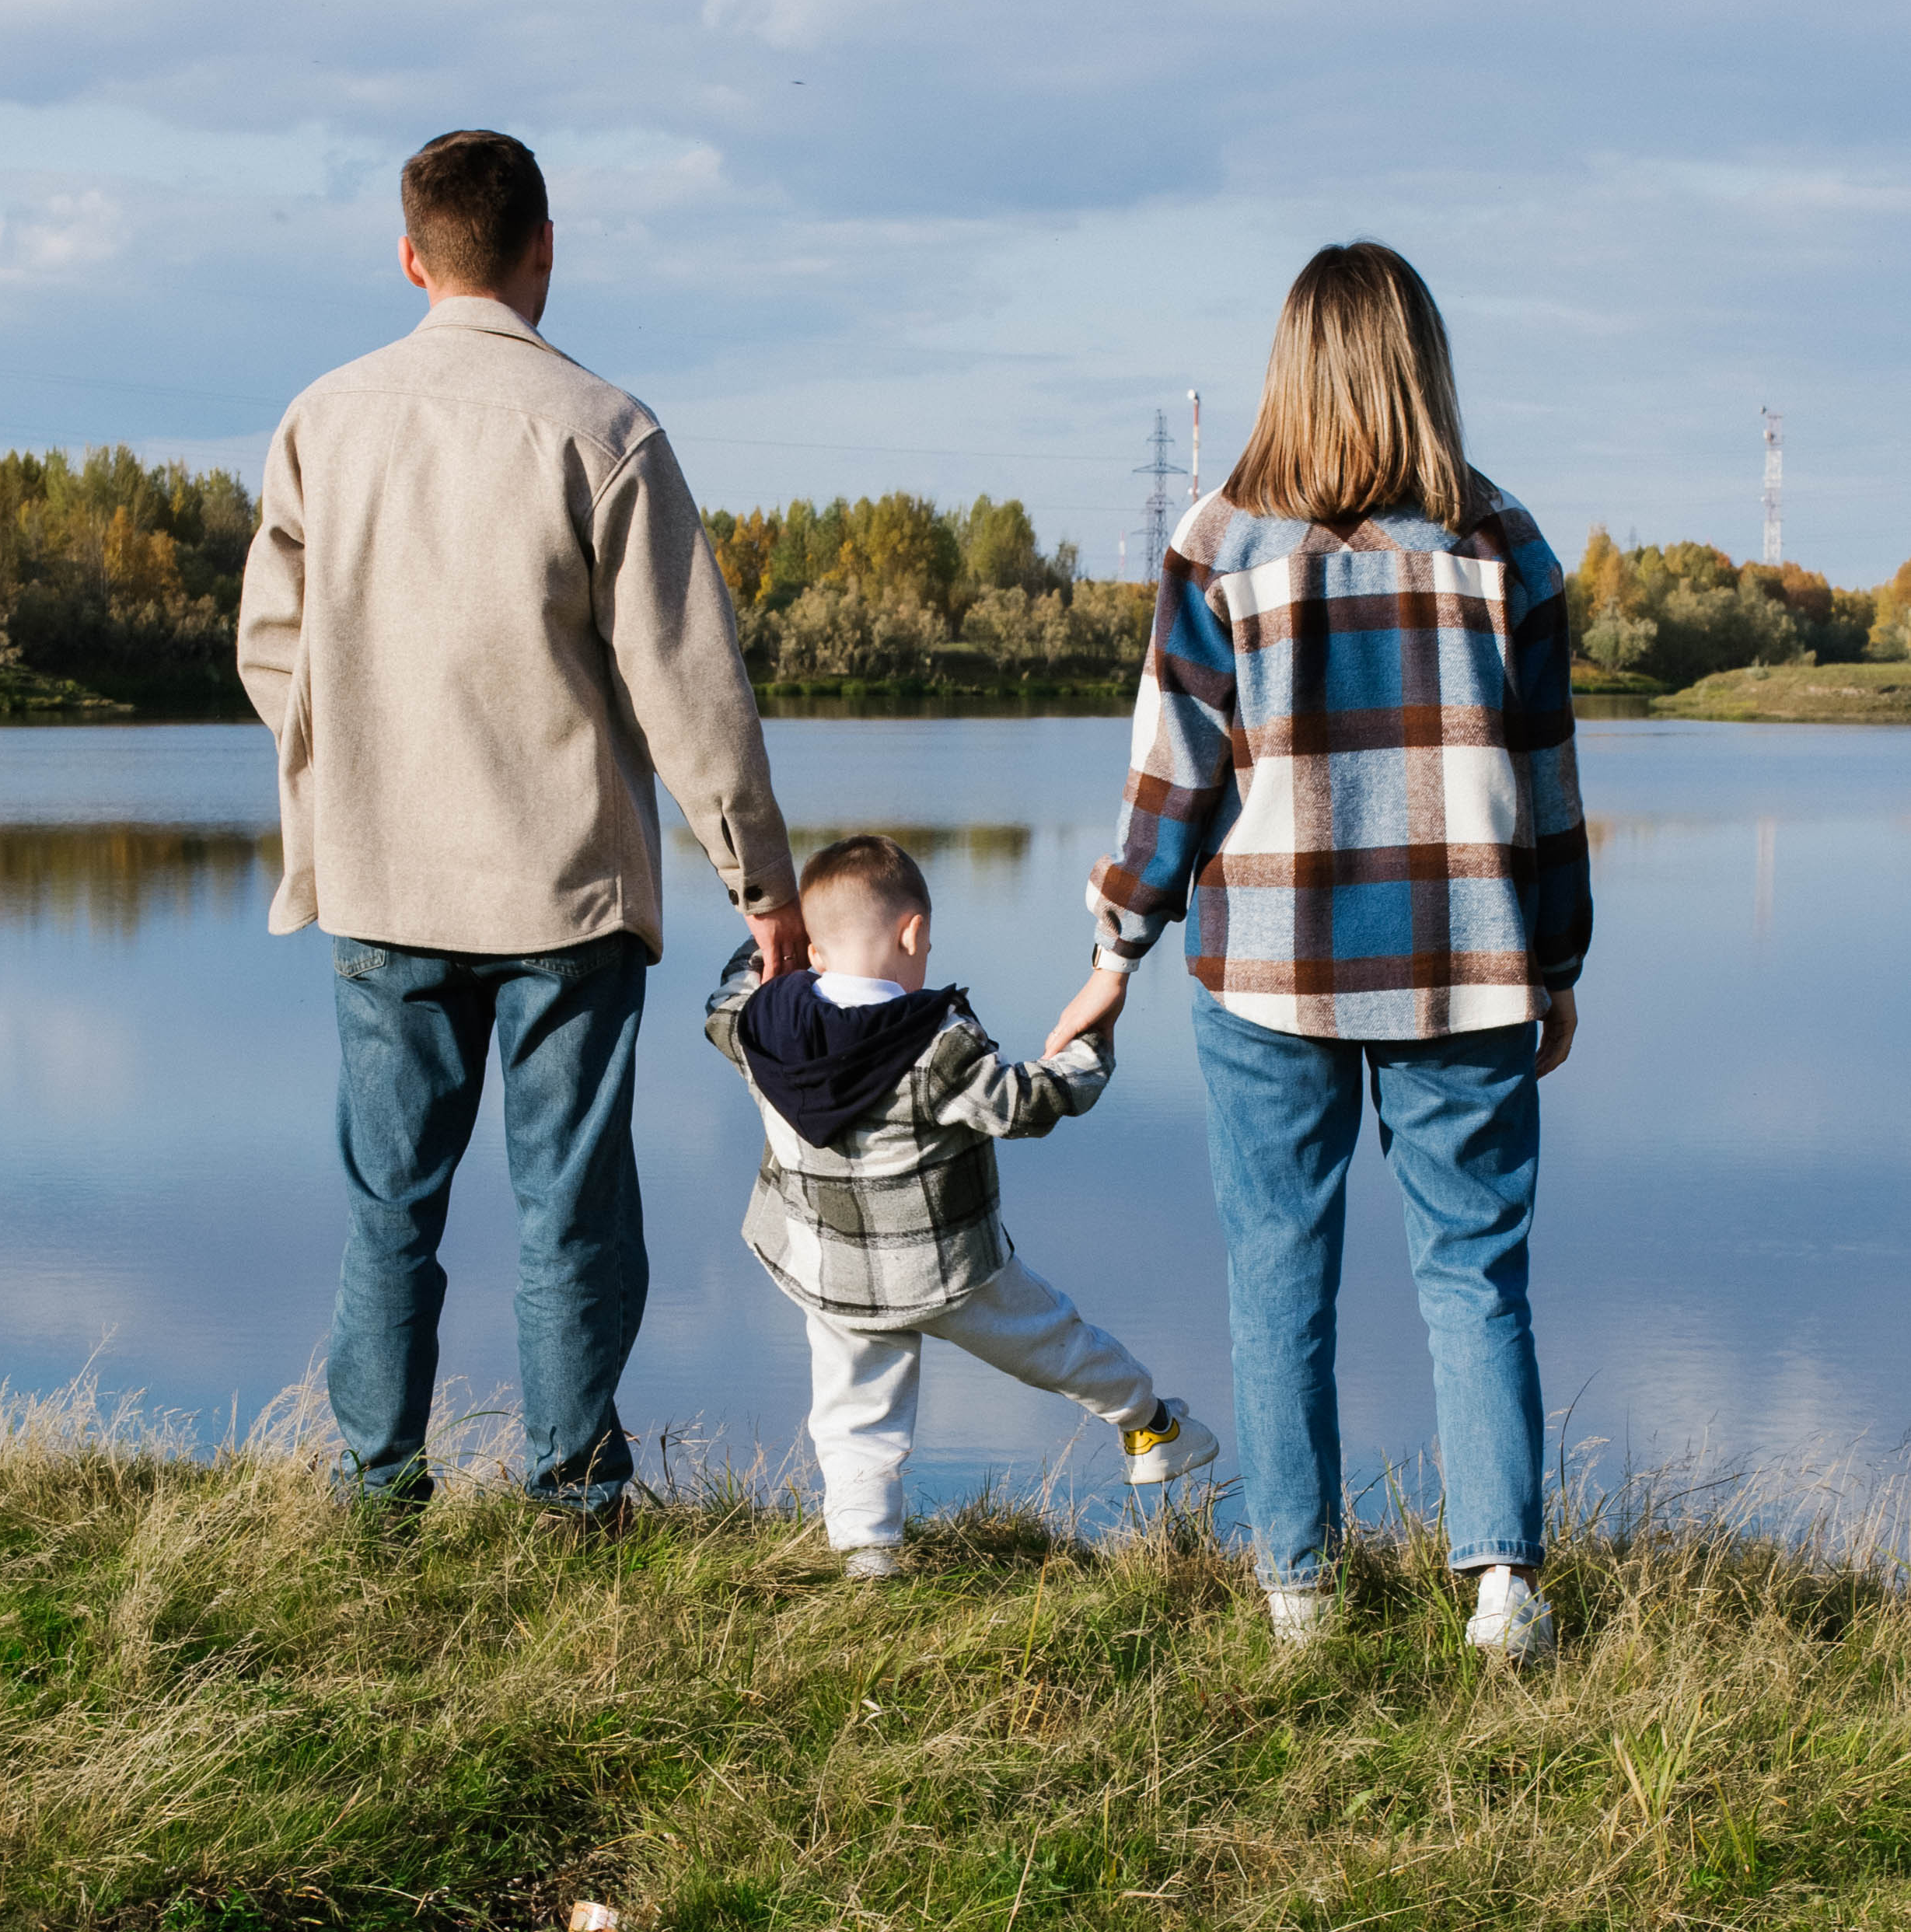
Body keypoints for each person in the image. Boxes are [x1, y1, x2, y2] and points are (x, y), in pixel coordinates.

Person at [238, 128, 805, 1524]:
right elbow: (690, 683)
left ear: (412, 257)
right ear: (545, 250)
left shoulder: (324, 418)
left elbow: (270, 647)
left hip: (379, 882)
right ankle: (573, 1500)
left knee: (391, 1208)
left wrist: (344, 769)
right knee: (571, 1212)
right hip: (564, 894)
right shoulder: (608, 431)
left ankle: (379, 1494)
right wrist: (763, 883)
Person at [1046, 243, 1591, 1660]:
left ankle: (1298, 1591)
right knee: (1475, 1273)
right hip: (1469, 963)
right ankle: (1502, 1593)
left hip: (1269, 975)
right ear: (1425, 364)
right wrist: (1562, 960)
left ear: (1287, 365)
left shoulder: (1217, 542)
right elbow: (1547, 782)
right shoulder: (1503, 542)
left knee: (1278, 1270)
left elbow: (1173, 780)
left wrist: (1116, 949)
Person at [704, 834, 1218, 1575]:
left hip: (829, 1271)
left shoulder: (761, 1025)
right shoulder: (935, 1045)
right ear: (913, 933)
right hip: (949, 1272)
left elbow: (727, 1001)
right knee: (1058, 1345)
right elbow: (1029, 1104)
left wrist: (761, 949)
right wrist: (1091, 1045)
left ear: (813, 952)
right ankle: (1151, 1428)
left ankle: (868, 1556)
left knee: (853, 1412)